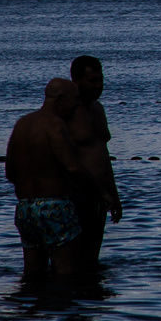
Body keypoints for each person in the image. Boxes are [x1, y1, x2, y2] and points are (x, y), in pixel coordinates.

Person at [5, 79, 104, 277]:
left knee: (33, 274)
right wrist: (99, 192)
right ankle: (62, 305)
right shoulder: (55, 125)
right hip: (54, 207)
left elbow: (10, 173)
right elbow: (72, 167)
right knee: (66, 273)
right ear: (59, 100)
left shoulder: (22, 124)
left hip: (25, 209)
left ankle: (31, 304)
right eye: (73, 99)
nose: (77, 104)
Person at [67, 56, 122, 269]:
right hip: (74, 198)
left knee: (91, 260)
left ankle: (92, 298)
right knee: (70, 261)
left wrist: (114, 196)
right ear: (75, 80)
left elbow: (103, 156)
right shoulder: (67, 114)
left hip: (99, 198)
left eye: (101, 80)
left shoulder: (98, 109)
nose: (98, 86)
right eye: (92, 81)